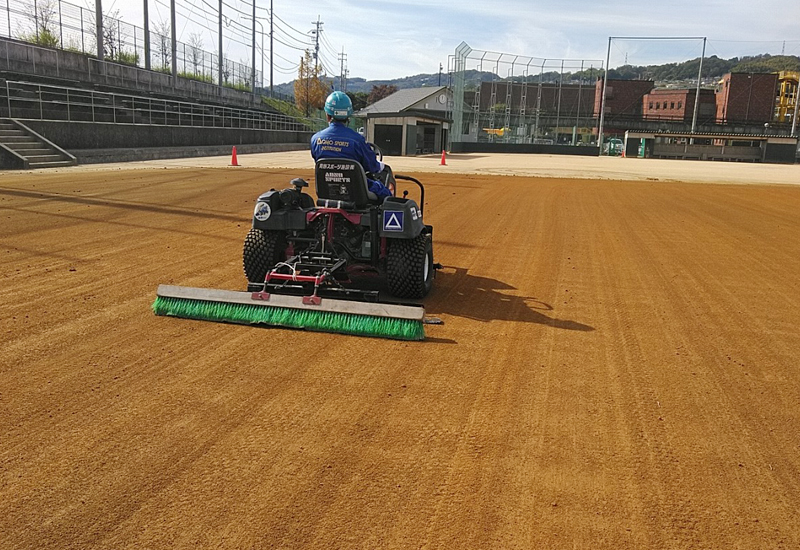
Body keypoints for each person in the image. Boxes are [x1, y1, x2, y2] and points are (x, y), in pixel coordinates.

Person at [311, 91, 393, 199]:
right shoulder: (357, 140)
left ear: (327, 114)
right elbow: (372, 167)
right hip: (356, 190)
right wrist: (381, 166)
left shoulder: (316, 139)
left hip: (326, 190)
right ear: (348, 115)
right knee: (385, 193)